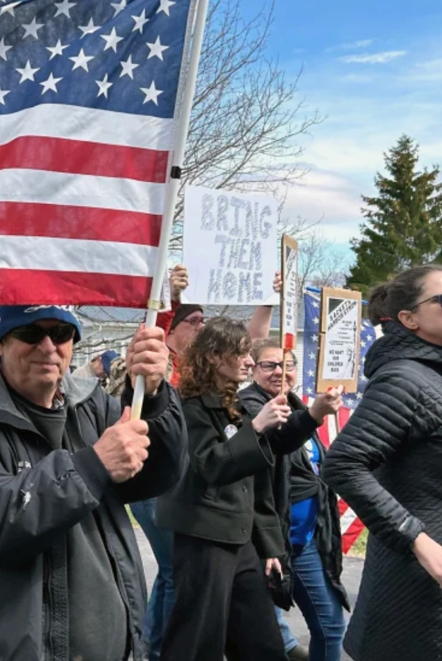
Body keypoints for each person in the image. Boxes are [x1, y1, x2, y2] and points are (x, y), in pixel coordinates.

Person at [0, 305, 186, 660]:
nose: (48, 346)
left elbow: (157, 476)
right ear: (0, 342)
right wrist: (93, 465)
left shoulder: (90, 403)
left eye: (61, 334)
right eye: (31, 333)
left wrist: (152, 399)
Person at [323, 265, 442, 661]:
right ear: (409, 319)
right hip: (431, 601)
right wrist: (418, 541)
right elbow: (343, 463)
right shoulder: (405, 378)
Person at [135, 265, 281, 661]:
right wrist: (170, 297)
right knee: (193, 624)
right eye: (193, 320)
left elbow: (254, 482)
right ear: (214, 356)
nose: (250, 361)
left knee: (259, 638)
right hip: (191, 516)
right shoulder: (181, 393)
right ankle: (153, 648)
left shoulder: (232, 399)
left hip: (235, 531)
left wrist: (268, 299)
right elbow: (211, 464)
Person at [238, 339, 349, 661]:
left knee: (330, 625)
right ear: (253, 369)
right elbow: (276, 441)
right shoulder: (248, 406)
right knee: (257, 636)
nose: (280, 371)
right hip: (268, 543)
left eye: (287, 365)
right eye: (269, 365)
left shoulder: (295, 403)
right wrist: (314, 414)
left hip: (307, 539)